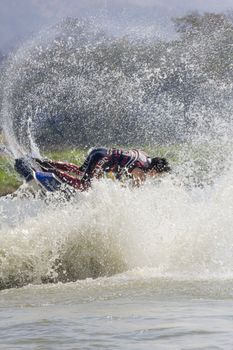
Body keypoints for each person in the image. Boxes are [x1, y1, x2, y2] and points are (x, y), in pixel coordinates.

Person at [34, 147, 171, 191]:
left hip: (100, 151)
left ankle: (46, 163)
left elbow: (127, 160)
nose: (155, 177)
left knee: (82, 171)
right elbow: (133, 189)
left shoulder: (144, 155)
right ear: (155, 170)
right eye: (157, 175)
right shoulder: (142, 172)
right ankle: (51, 172)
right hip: (103, 159)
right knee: (85, 185)